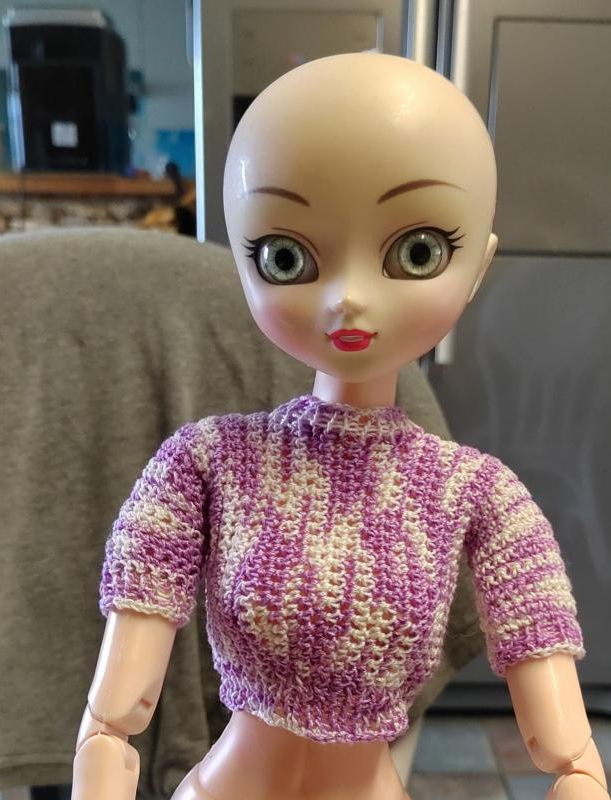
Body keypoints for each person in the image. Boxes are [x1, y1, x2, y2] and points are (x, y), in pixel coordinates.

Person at [72, 53, 609, 800]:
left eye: (416, 252)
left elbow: (560, 732)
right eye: (287, 256)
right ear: (241, 262)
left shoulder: (477, 495)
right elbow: (115, 709)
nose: (349, 298)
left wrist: (580, 774)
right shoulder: (204, 463)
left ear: (478, 265)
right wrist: (100, 753)